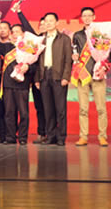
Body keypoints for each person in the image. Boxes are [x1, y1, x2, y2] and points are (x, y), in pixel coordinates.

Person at [35, 12, 72, 146]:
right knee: (48, 108)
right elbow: (36, 60)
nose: (48, 23)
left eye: (51, 20)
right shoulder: (41, 39)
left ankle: (61, 137)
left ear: (57, 23)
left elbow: (68, 59)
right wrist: (37, 79)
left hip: (58, 76)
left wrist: (66, 76)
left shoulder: (64, 39)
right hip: (44, 75)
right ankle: (50, 136)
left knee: (60, 109)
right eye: (46, 21)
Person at [72, 7, 108, 147]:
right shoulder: (77, 35)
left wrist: (103, 66)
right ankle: (83, 136)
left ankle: (102, 136)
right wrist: (74, 57)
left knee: (101, 108)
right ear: (81, 18)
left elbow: (107, 53)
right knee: (83, 108)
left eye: (89, 15)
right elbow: (74, 52)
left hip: (98, 73)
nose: (86, 18)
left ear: (94, 17)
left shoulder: (101, 34)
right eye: (84, 16)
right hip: (83, 75)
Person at [0, 18, 31, 144]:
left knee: (23, 113)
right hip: (8, 85)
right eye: (12, 32)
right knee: (9, 113)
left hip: (22, 85)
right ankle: (10, 137)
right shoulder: (7, 46)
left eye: (17, 31)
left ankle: (23, 137)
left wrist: (28, 67)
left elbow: (34, 65)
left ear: (23, 34)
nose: (14, 34)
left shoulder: (28, 47)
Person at [13, 5, 47, 144]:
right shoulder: (35, 40)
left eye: (46, 23)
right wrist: (19, 12)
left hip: (51, 77)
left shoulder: (56, 39)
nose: (44, 26)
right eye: (41, 24)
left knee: (51, 107)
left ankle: (53, 133)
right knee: (39, 106)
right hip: (36, 78)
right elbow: (27, 28)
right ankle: (42, 133)